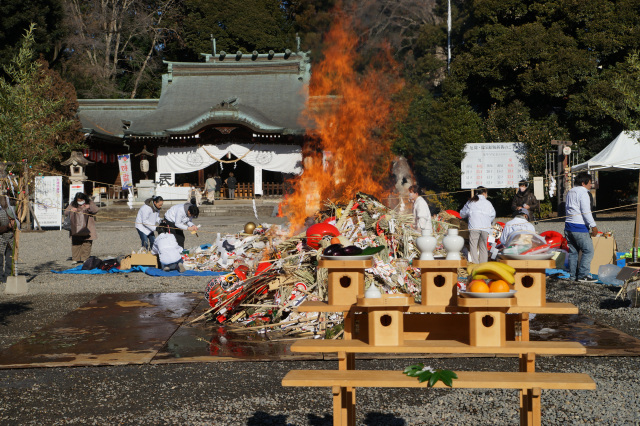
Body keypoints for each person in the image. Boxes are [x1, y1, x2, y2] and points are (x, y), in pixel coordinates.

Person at [565, 172, 599, 282]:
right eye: (590, 183)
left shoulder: (570, 191)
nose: (591, 186)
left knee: (573, 252)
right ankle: (583, 275)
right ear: (584, 183)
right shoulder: (583, 193)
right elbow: (586, 211)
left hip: (568, 226)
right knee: (588, 251)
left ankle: (573, 276)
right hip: (579, 226)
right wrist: (593, 226)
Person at [460, 186, 496, 264]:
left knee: (473, 246)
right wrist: (487, 222)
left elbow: (462, 214)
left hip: (474, 227)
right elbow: (493, 215)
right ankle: (483, 266)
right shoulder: (488, 203)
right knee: (483, 247)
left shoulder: (471, 202)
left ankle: (475, 264)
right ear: (484, 193)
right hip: (485, 228)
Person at [65, 192, 99, 264]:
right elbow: (65, 212)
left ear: (84, 199)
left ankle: (85, 258)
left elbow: (96, 210)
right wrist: (71, 209)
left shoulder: (89, 202)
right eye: (78, 200)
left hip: (88, 225)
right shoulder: (73, 203)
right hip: (76, 226)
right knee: (76, 243)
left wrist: (89, 207)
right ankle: (75, 258)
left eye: (81, 200)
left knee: (87, 243)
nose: (80, 201)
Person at [0, 196, 16, 283]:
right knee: (0, 261)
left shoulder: (13, 211)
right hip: (1, 239)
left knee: (9, 261)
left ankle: (7, 278)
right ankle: (0, 278)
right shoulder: (1, 214)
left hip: (10, 240)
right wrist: (8, 226)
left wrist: (15, 224)